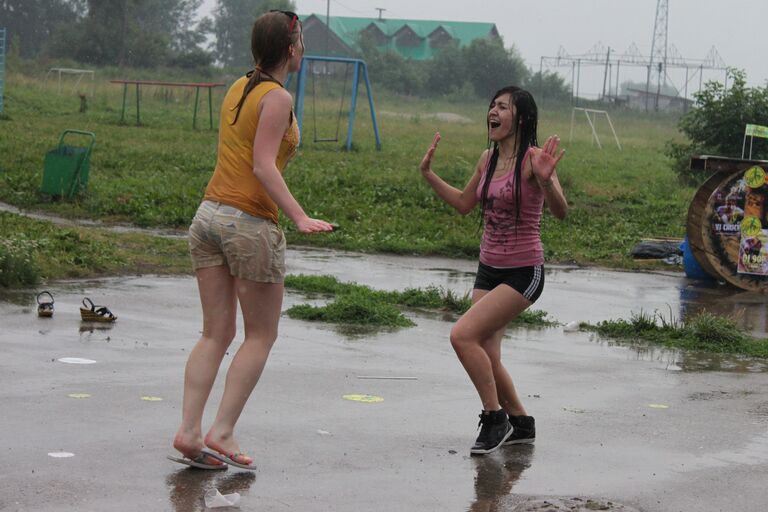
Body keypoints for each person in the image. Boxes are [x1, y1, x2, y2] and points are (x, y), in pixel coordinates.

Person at [169, 10, 333, 470]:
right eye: (300, 41)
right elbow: (264, 166)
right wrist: (298, 216)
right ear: (293, 48)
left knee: (215, 333)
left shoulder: (239, 87)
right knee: (261, 335)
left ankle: (188, 431)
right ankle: (220, 431)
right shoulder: (277, 97)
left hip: (208, 217)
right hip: (248, 224)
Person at [419, 86, 567, 455]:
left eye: (503, 107)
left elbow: (561, 211)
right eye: (492, 106)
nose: (493, 111)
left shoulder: (535, 160)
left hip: (523, 271)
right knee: (487, 352)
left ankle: (494, 416)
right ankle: (521, 423)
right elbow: (464, 203)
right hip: (489, 268)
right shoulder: (487, 159)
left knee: (462, 336)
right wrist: (429, 174)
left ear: (521, 118)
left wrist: (548, 182)